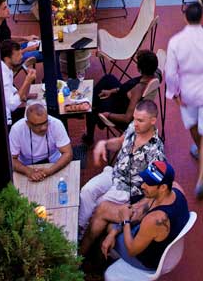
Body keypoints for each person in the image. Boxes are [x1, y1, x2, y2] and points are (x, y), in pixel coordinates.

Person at [165, 2, 203, 199]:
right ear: (201, 17)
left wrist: (173, 92)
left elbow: (170, 73)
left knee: (193, 125)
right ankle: (201, 179)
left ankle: (200, 150)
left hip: (188, 93)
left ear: (185, 18)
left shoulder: (175, 42)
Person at [79, 100, 165, 235]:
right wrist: (104, 143)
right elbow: (119, 142)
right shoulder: (133, 126)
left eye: (140, 121)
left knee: (96, 205)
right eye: (135, 118)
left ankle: (81, 237)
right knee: (86, 192)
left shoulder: (156, 151)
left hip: (127, 189)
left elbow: (155, 188)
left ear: (153, 121)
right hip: (113, 174)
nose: (135, 124)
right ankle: (80, 230)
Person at [93, 161, 190, 273]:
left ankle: (96, 268)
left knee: (107, 228)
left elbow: (131, 250)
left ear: (162, 187)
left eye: (149, 183)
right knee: (113, 230)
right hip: (160, 242)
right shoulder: (175, 188)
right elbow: (141, 212)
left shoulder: (155, 219)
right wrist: (115, 232)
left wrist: (125, 220)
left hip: (146, 260)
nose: (143, 185)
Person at [87, 49, 161, 144]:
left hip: (119, 110)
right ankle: (91, 103)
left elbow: (127, 118)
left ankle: (88, 137)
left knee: (91, 109)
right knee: (108, 79)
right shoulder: (156, 75)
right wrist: (112, 91)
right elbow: (126, 89)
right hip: (123, 97)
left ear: (141, 68)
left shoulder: (138, 89)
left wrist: (107, 115)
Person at [9, 101, 74, 180]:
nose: (43, 127)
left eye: (45, 122)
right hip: (26, 165)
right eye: (38, 125)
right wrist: (28, 171)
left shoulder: (56, 123)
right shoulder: (17, 129)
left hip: (54, 163)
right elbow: (11, 159)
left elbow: (68, 153)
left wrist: (50, 170)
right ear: (28, 123)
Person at [1, 38, 36, 121]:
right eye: (17, 55)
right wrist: (27, 82)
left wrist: (24, 95)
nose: (21, 57)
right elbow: (12, 105)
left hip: (6, 112)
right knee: (38, 118)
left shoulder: (5, 67)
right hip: (3, 122)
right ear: (7, 58)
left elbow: (10, 89)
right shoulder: (3, 75)